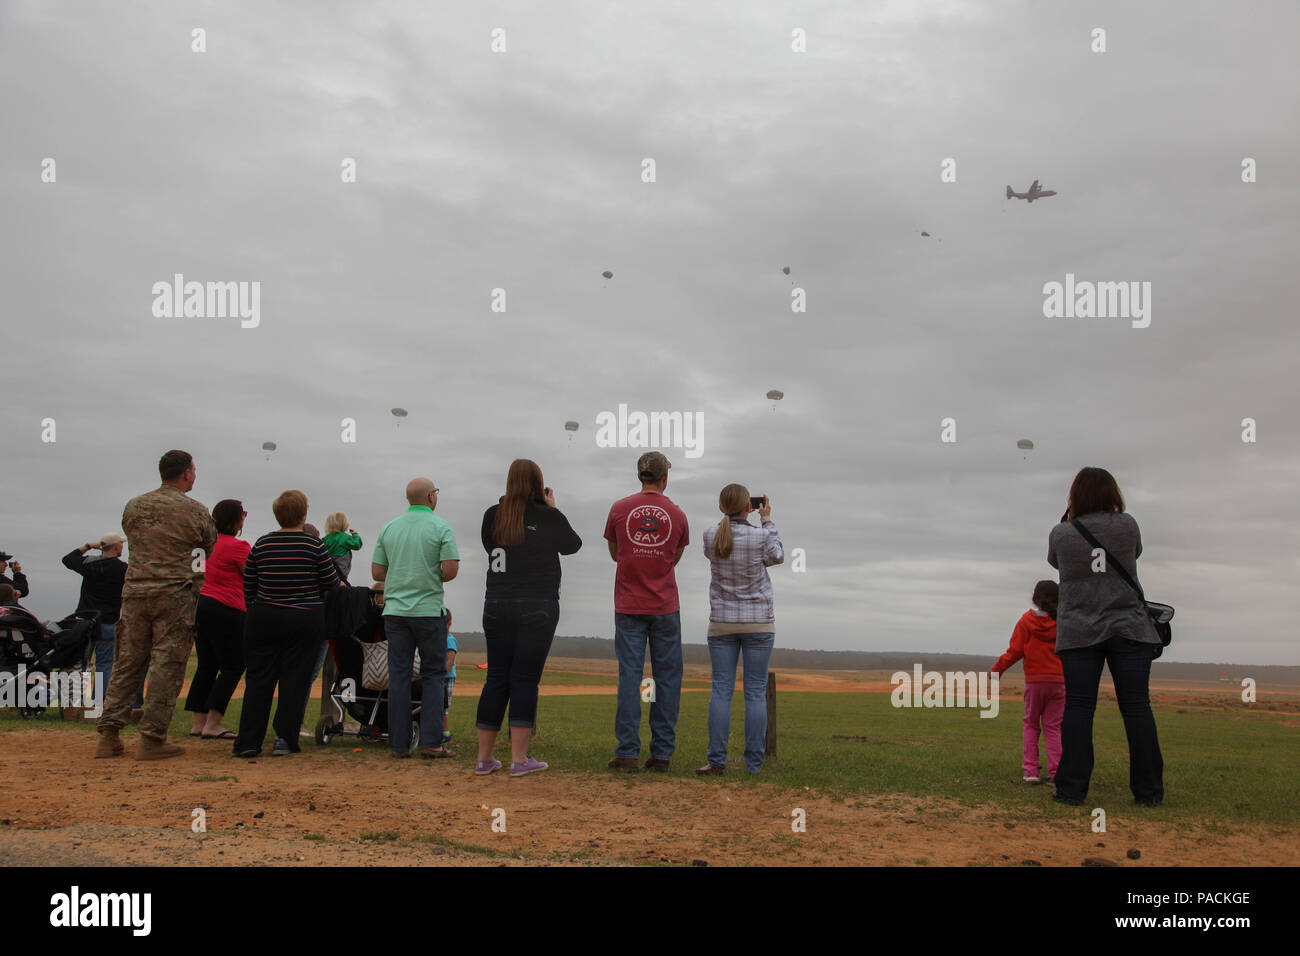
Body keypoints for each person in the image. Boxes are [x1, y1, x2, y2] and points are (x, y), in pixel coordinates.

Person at [1048, 467, 1164, 807]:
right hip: (1128, 626)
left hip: (1080, 630)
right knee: (1137, 708)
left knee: (1079, 708)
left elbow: (1055, 562)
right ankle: (1149, 793)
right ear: (1113, 493)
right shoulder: (1127, 525)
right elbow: (1135, 553)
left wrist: (1069, 519)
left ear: (1075, 497)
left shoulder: (1061, 532)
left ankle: (1071, 789)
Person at [94, 450, 217, 760]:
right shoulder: (196, 511)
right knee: (166, 664)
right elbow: (207, 550)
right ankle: (152, 738)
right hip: (174, 594)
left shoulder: (134, 506)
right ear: (187, 473)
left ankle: (108, 735)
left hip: (135, 592)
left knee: (127, 662)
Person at [475, 460, 582, 776]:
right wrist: (552, 508)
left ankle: (484, 759)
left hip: (496, 603)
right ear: (539, 484)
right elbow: (572, 545)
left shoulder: (492, 515)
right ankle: (519, 760)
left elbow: (488, 546)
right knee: (524, 679)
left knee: (496, 677)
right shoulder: (547, 516)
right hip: (537, 605)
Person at [233, 490, 340, 758]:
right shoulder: (314, 546)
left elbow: (250, 583)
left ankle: (248, 741)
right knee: (296, 679)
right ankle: (284, 738)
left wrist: (256, 608)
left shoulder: (262, 544)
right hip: (304, 618)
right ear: (304, 515)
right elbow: (330, 583)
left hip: (263, 617)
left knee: (259, 680)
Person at [604, 452, 689, 773]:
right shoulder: (677, 514)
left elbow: (616, 553)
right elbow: (674, 556)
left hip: (628, 605)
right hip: (665, 606)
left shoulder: (619, 509)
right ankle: (662, 753)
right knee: (667, 679)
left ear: (639, 475)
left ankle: (627, 751)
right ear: (665, 478)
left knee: (630, 676)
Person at [697, 485, 782, 776]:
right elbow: (777, 556)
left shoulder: (711, 536)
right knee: (755, 693)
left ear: (721, 506)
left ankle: (716, 761)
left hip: (722, 622)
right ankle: (753, 764)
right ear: (750, 507)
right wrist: (767, 520)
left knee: (721, 690)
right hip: (758, 621)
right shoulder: (760, 536)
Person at [372, 477, 460, 758]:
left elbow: (377, 572)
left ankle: (399, 743)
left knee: (398, 676)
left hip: (396, 611)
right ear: (431, 497)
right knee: (433, 674)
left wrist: (401, 571)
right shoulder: (441, 527)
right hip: (428, 610)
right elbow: (450, 570)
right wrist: (428, 572)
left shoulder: (390, 527)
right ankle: (432, 743)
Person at [185, 500, 250, 740]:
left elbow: (193, 574)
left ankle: (198, 722)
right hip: (228, 608)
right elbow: (252, 576)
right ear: (237, 520)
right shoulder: (239, 546)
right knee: (233, 666)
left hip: (200, 606)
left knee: (206, 665)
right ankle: (213, 722)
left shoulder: (200, 547)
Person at [991, 581, 1064, 784]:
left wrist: (997, 670)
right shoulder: (1063, 622)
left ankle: (1031, 771)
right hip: (1059, 682)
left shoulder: (1026, 622)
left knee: (1031, 724)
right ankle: (1057, 773)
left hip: (1034, 682)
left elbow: (1015, 651)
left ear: (1035, 598)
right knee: (1054, 728)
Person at [61, 534, 130, 700]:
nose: (122, 546)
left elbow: (68, 559)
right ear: (116, 547)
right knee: (105, 664)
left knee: (79, 663)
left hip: (85, 620)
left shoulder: (89, 563)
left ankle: (74, 701)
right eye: (121, 544)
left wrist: (88, 546)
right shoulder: (123, 569)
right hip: (108, 621)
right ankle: (99, 701)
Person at [322, 513, 363, 583]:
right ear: (344, 524)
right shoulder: (345, 538)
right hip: (342, 567)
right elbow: (357, 545)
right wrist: (355, 535)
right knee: (342, 582)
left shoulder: (325, 539)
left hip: (329, 568)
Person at [442, 609, 457, 747]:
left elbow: (450, 661)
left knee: (444, 707)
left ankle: (446, 734)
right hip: (438, 677)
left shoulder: (450, 640)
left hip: (446, 678)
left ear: (449, 624)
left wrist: (442, 674)